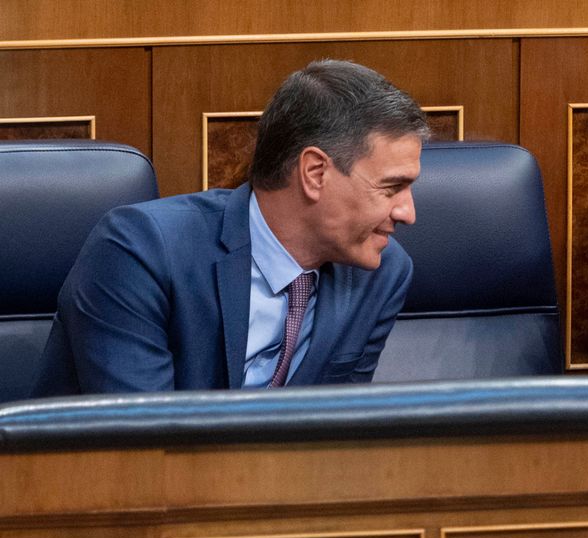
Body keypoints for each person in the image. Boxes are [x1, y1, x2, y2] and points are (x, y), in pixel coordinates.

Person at [33, 59, 429, 394]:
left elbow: (342, 435)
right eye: (391, 187)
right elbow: (141, 450)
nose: (407, 213)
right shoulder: (140, 253)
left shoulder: (383, 273)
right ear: (314, 172)